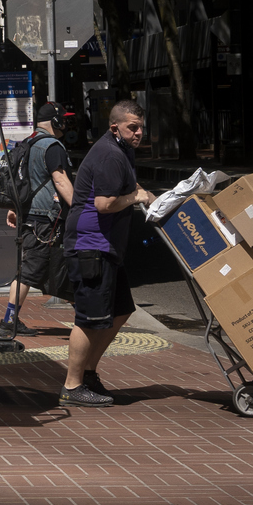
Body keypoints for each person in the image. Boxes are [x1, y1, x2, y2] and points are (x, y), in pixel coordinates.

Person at [62, 98, 154, 408]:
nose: (139, 132)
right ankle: (72, 386)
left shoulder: (120, 150)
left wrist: (142, 192)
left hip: (107, 247)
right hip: (91, 247)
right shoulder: (110, 155)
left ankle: (88, 373)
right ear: (115, 127)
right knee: (88, 319)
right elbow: (104, 204)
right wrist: (135, 196)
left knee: (121, 309)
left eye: (141, 127)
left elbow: (126, 184)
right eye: (133, 127)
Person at [0, 106, 76, 336]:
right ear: (55, 121)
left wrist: (14, 207)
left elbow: (23, 180)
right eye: (64, 119)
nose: (66, 123)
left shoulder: (29, 142)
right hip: (45, 219)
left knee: (50, 267)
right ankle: (8, 323)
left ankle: (87, 315)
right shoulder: (52, 146)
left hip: (32, 216)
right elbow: (60, 181)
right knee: (30, 272)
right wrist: (82, 209)